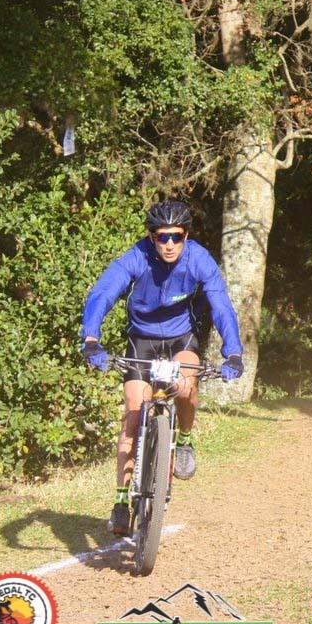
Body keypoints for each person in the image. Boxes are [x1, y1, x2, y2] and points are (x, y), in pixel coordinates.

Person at [80, 199, 245, 536]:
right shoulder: (136, 257)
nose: (169, 244)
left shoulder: (199, 259)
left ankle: (184, 440)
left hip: (181, 338)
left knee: (185, 386)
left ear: (186, 236)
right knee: (132, 414)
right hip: (142, 340)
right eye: (161, 237)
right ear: (151, 237)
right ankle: (121, 501)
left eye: (176, 236)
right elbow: (103, 293)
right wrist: (91, 338)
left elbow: (221, 306)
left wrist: (233, 353)